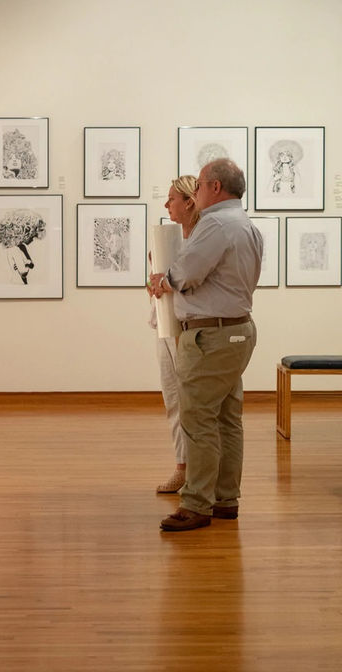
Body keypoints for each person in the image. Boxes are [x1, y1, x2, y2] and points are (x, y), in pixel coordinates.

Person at [149, 159, 262, 532]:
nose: (194, 193)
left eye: (198, 185)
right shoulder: (247, 225)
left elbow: (189, 272)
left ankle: (196, 504)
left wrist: (163, 281)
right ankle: (225, 499)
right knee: (228, 419)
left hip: (210, 336)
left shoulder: (215, 223)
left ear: (215, 187)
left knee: (197, 418)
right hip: (239, 331)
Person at [149, 175, 199, 494]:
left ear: (189, 202)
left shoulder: (200, 242)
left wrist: (166, 283)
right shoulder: (166, 237)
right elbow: (158, 281)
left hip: (188, 328)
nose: (167, 204)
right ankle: (182, 467)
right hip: (163, 327)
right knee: (172, 398)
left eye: (172, 199)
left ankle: (199, 472)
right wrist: (154, 284)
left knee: (192, 402)